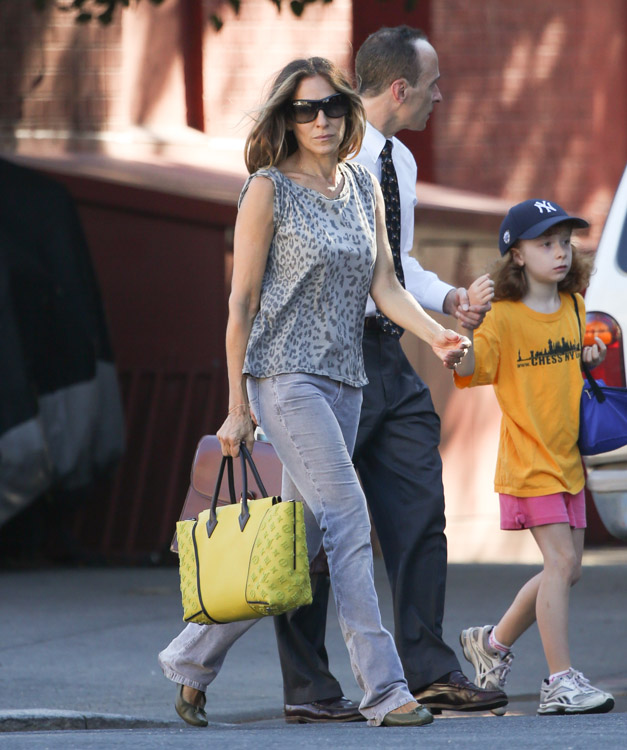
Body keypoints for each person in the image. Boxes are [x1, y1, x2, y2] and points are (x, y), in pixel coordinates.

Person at [158, 55, 472, 728]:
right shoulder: (267, 189)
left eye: (330, 106)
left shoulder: (361, 186)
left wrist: (437, 333)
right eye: (305, 109)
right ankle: (384, 690)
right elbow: (240, 304)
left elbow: (384, 287)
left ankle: (189, 661)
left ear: (347, 111)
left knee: (295, 545)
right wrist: (238, 407)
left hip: (346, 383)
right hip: (284, 381)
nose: (321, 119)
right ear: (286, 118)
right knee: (349, 520)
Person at [276, 26, 508, 724]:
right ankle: (309, 687)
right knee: (311, 530)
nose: (440, 96)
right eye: (433, 84)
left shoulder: (398, 163)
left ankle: (426, 668)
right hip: (319, 361)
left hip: (388, 355)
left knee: (418, 507)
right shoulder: (313, 159)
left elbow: (393, 269)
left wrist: (447, 305)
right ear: (400, 86)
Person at [455, 198, 615, 715]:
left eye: (565, 242)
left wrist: (587, 356)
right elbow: (472, 368)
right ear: (516, 255)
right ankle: (559, 682)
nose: (560, 252)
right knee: (561, 562)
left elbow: (566, 367)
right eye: (546, 243)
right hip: (528, 463)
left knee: (566, 573)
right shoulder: (503, 319)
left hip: (567, 459)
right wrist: (466, 336)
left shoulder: (572, 307)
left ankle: (493, 643)